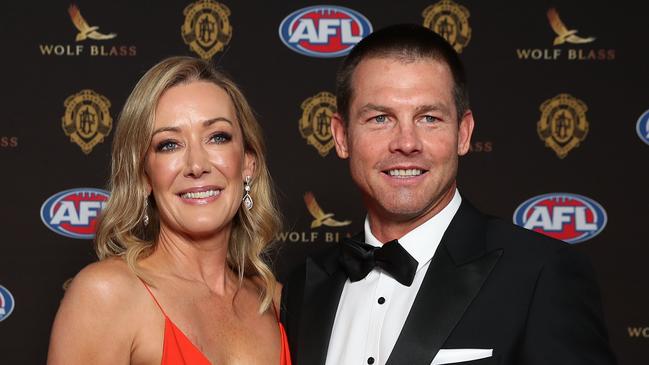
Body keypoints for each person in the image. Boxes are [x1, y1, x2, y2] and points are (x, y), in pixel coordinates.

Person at [280, 24, 615, 365]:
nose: (406, 143)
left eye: (429, 118)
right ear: (341, 136)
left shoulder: (541, 274)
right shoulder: (304, 285)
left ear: (463, 133)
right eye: (381, 118)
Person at [48, 56, 291, 365]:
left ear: (247, 163)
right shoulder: (108, 295)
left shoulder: (277, 302)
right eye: (169, 145)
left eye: (217, 137)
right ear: (145, 176)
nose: (197, 166)